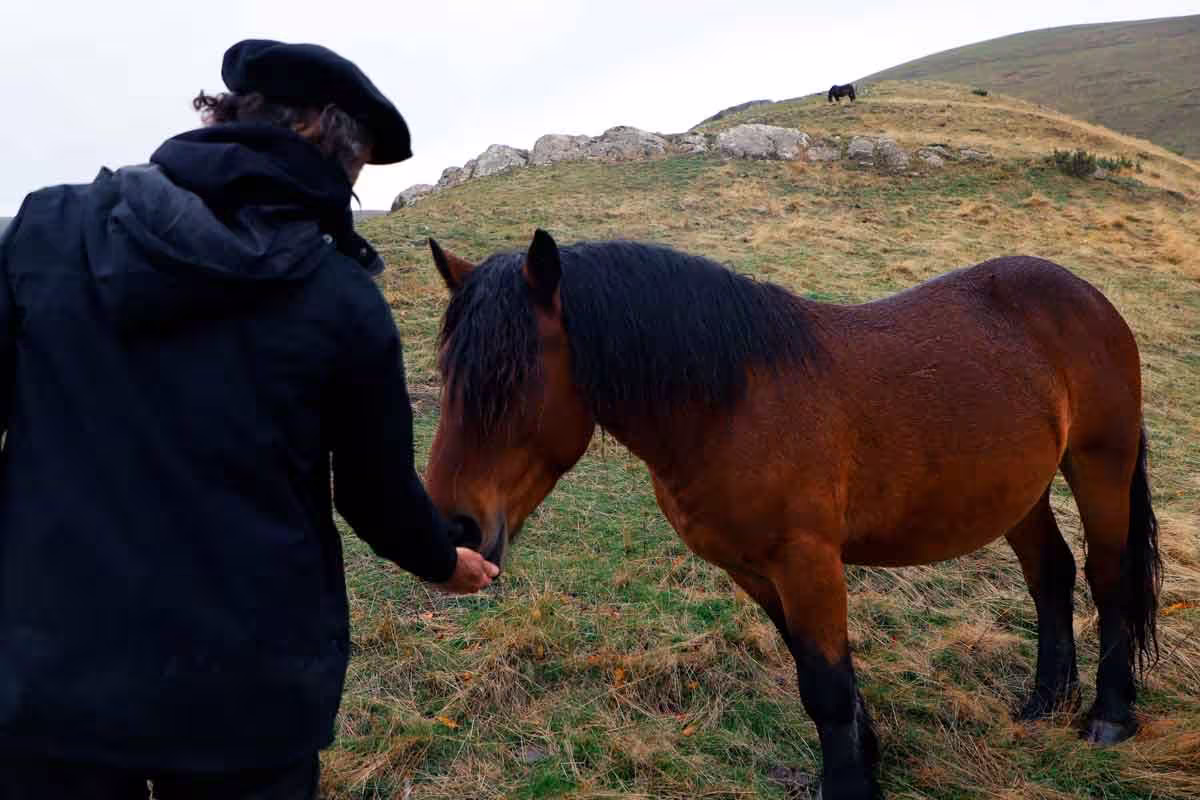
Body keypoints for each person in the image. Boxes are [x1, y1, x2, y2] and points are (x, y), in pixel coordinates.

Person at [0, 39, 498, 799]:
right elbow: (371, 492)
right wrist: (441, 560)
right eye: (357, 163)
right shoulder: (340, 299)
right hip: (248, 708)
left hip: (48, 687)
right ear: (314, 135)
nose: (352, 189)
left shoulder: (44, 231)